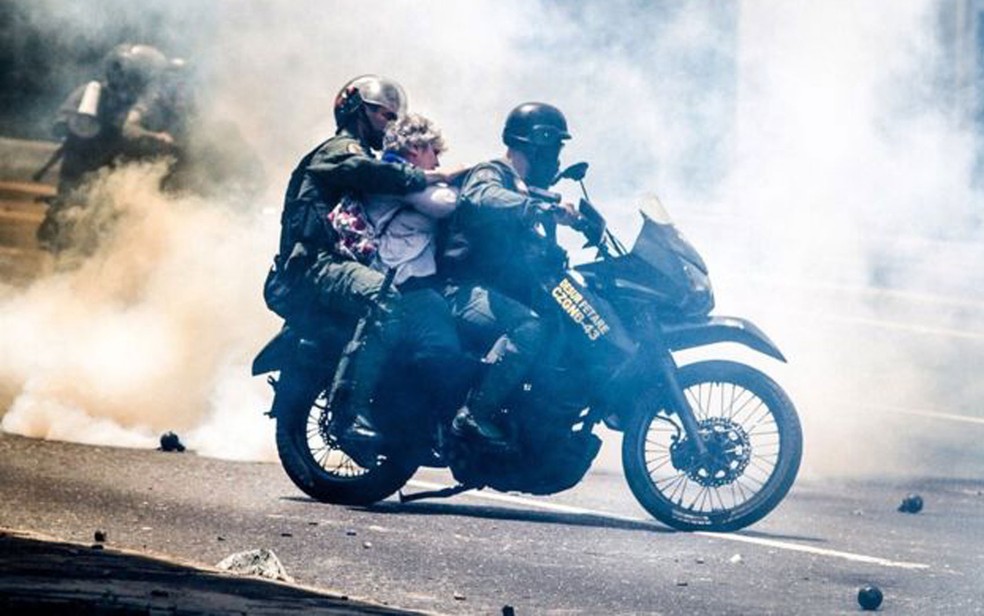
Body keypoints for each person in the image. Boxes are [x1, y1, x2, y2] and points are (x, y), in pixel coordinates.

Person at [266, 74, 452, 451]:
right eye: (384, 115)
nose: (390, 124)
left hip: (339, 263)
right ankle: (348, 410)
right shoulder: (339, 149)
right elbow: (369, 172)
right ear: (356, 111)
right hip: (315, 265)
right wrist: (425, 175)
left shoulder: (367, 157)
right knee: (383, 299)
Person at [439, 102, 579, 448]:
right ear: (534, 145)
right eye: (554, 149)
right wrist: (539, 207)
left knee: (561, 321)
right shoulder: (492, 174)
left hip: (498, 292)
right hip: (462, 292)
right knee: (530, 329)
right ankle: (474, 413)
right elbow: (482, 197)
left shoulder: (524, 187)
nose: (557, 158)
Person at [361, 113, 470, 422]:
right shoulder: (396, 174)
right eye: (434, 151)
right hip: (401, 279)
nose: (436, 161)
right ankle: (417, 420)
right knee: (443, 348)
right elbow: (443, 204)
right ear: (416, 148)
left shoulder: (404, 175)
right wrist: (460, 180)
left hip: (408, 276)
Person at [37, 43, 168, 251]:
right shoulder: (91, 93)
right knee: (70, 215)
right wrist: (77, 124)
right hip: (84, 165)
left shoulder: (146, 104)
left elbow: (138, 132)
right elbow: (60, 126)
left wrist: (152, 138)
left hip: (120, 167)